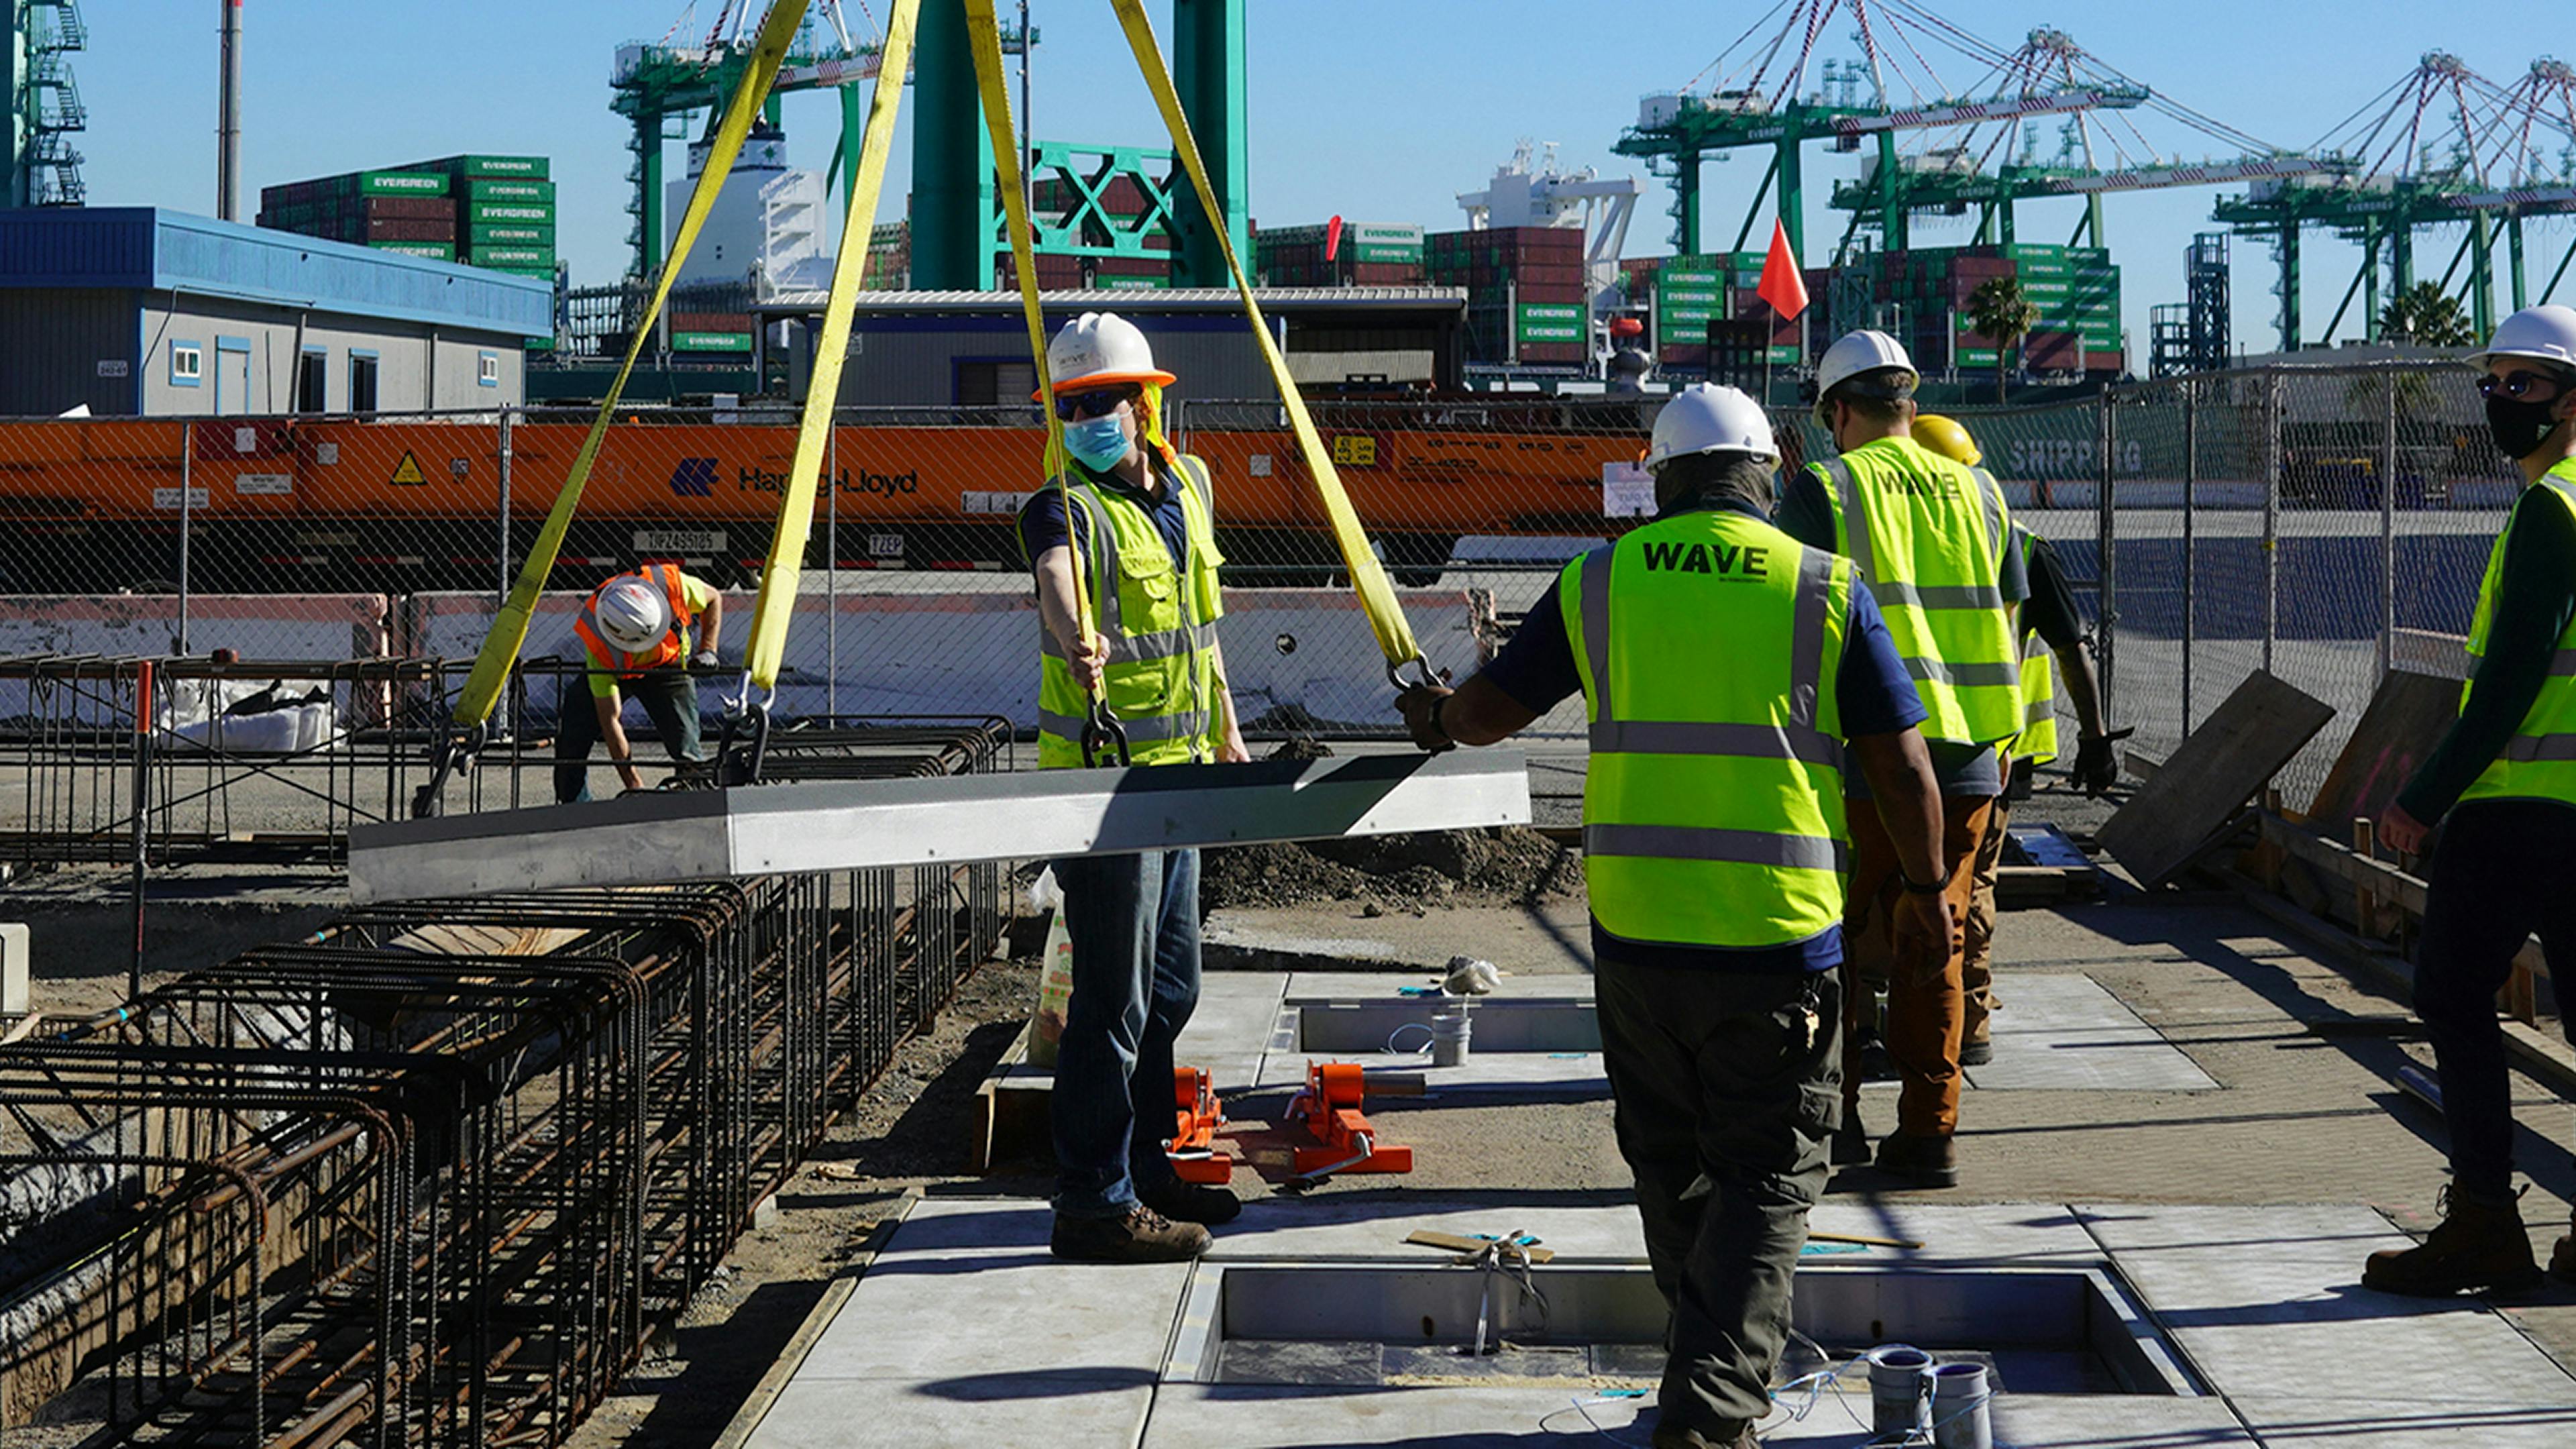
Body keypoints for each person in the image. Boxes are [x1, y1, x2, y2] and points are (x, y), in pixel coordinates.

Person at [1394, 384, 1951, 1449]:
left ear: (1660, 482)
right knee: (1769, 1175)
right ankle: (1710, 1413)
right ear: (1767, 474)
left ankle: (1705, 1377)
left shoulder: (1602, 580)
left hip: (1639, 937)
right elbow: (1904, 766)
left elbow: (1486, 714)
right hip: (1774, 937)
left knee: (1673, 1164)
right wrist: (1925, 896)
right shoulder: (1822, 584)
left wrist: (1435, 713)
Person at [1017, 311, 1251, 1265]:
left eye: (1101, 401)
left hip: (1180, 776)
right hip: (1105, 790)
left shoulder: (1188, 484)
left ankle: (1145, 1166)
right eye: (1070, 407)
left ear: (1147, 403)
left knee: (1170, 985)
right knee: (1111, 1000)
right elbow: (1056, 575)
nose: (1085, 421)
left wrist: (1227, 723)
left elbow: (1199, 622)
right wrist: (1077, 636)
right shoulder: (1060, 506)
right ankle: (1094, 1201)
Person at [1774, 331, 2025, 1188]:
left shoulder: (1826, 488)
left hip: (1861, 758)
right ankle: (1930, 1132)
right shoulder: (1982, 491)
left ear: (1837, 412)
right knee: (1937, 938)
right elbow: (2010, 613)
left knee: (1834, 943)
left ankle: (1834, 1120)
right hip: (1968, 757)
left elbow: (1791, 614)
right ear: (1911, 406)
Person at [2368, 304, 2576, 1296]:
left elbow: (2510, 682)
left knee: (2451, 998)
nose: (2500, 399)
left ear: (2572, 403)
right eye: (2492, 382)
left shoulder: (2552, 512)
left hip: (2518, 805)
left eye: (2523, 383)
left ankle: (2486, 1222)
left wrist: (2424, 795)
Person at [1911, 414, 2121, 1065]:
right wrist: (2094, 736)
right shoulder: (2022, 543)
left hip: (1907, 748)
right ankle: (1968, 1021)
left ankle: (1904, 1017)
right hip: (1996, 749)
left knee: (1901, 881)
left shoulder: (1894, 546)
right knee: (1971, 886)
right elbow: (2070, 648)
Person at [555, 562, 722, 803]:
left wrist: (708, 650)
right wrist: (634, 786)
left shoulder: (673, 586)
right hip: (617, 669)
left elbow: (714, 598)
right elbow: (611, 721)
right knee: (574, 734)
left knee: (686, 745)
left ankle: (692, 796)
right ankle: (574, 809)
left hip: (668, 665)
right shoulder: (599, 645)